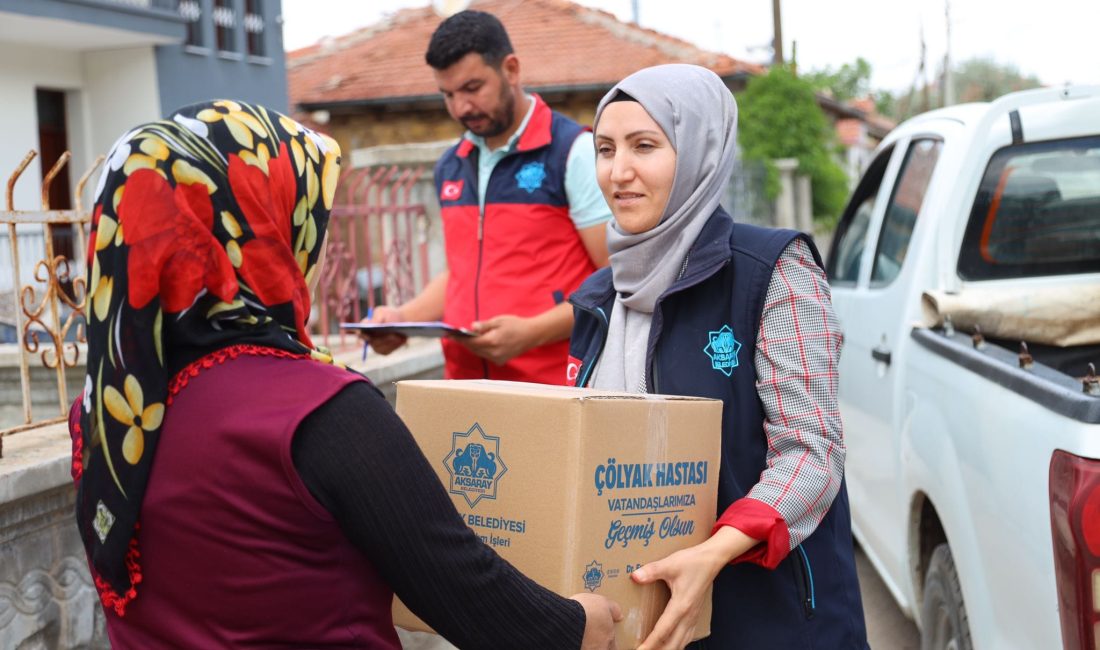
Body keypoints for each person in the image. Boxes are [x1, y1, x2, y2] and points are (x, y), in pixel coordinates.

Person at [68, 99, 621, 648]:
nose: (322, 246)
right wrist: (579, 624)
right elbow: (466, 591)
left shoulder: (107, 416)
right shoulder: (319, 412)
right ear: (257, 227)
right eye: (301, 212)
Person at [568, 65, 869, 649]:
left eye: (645, 146)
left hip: (770, 619)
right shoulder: (600, 300)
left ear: (701, 150)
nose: (618, 172)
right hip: (648, 621)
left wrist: (714, 552)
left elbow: (812, 452)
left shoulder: (771, 270)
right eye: (605, 150)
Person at [365, 10, 611, 384]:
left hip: (553, 390)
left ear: (511, 70)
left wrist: (532, 333)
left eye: (472, 88)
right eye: (448, 95)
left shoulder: (572, 152)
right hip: (463, 388)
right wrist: (403, 317)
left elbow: (613, 283)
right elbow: (462, 274)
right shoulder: (451, 165)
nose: (461, 108)